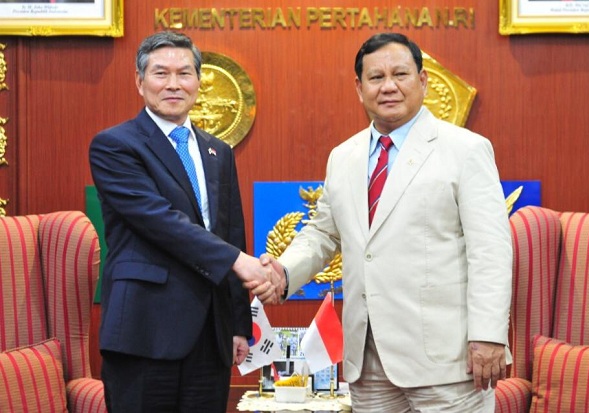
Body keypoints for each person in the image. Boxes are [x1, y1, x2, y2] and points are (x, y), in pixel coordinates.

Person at [259, 32, 513, 412]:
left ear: (423, 81)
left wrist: (488, 335)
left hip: (446, 360)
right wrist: (283, 271)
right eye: (376, 78)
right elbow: (323, 233)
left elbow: (490, 251)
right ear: (359, 88)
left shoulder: (465, 150)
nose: (389, 86)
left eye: (401, 74)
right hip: (368, 360)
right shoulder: (343, 156)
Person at [89, 31, 277, 413]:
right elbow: (159, 221)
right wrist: (239, 261)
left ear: (198, 81)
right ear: (140, 82)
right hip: (145, 330)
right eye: (161, 73)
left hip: (211, 335)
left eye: (185, 73)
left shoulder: (217, 151)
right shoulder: (115, 145)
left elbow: (231, 232)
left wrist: (239, 323)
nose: (173, 84)